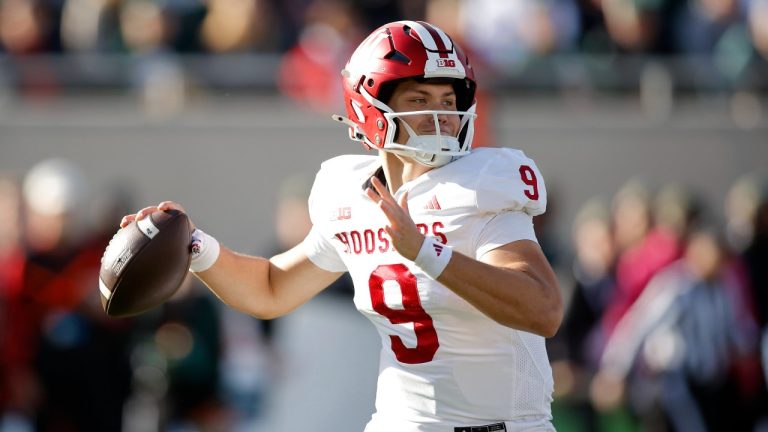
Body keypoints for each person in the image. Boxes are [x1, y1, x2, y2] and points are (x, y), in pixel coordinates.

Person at [121, 20, 563, 431]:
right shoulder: (353, 194)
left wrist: (425, 251)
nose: (441, 116)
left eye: (448, 100)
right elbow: (272, 288)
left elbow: (542, 309)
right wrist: (194, 245)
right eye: (419, 100)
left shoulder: (481, 186)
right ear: (369, 107)